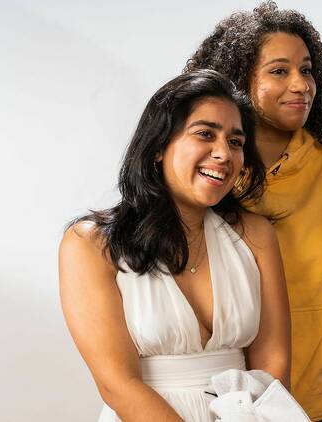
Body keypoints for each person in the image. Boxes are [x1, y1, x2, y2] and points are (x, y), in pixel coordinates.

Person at [186, 2, 322, 420]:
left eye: (307, 69)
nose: (301, 85)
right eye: (279, 71)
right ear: (238, 81)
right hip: (227, 409)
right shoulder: (204, 178)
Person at [59, 69, 292, 421]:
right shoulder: (91, 244)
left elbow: (273, 365)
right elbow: (117, 383)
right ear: (158, 147)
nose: (224, 154)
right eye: (205, 134)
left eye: (235, 142)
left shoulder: (255, 235)